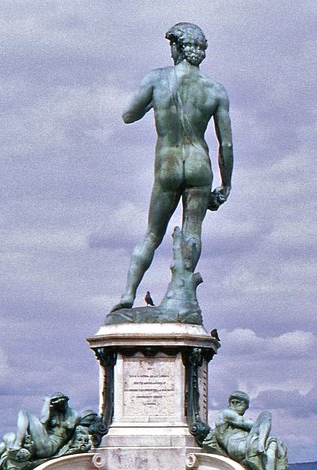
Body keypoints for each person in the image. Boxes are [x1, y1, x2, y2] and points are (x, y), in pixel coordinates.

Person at [113, 21, 233, 311]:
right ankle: (181, 293)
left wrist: (153, 104)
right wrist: (226, 184)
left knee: (153, 233)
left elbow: (128, 115)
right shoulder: (214, 90)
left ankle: (128, 293)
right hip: (199, 164)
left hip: (167, 163)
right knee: (193, 230)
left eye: (171, 45)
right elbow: (226, 144)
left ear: (178, 47)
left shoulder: (157, 79)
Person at [203, 392, 289, 470]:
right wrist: (260, 426)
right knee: (265, 415)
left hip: (243, 443)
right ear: (236, 403)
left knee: (274, 443)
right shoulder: (226, 413)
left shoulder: (230, 417)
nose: (244, 411)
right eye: (245, 407)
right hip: (236, 445)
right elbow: (244, 422)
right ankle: (261, 445)